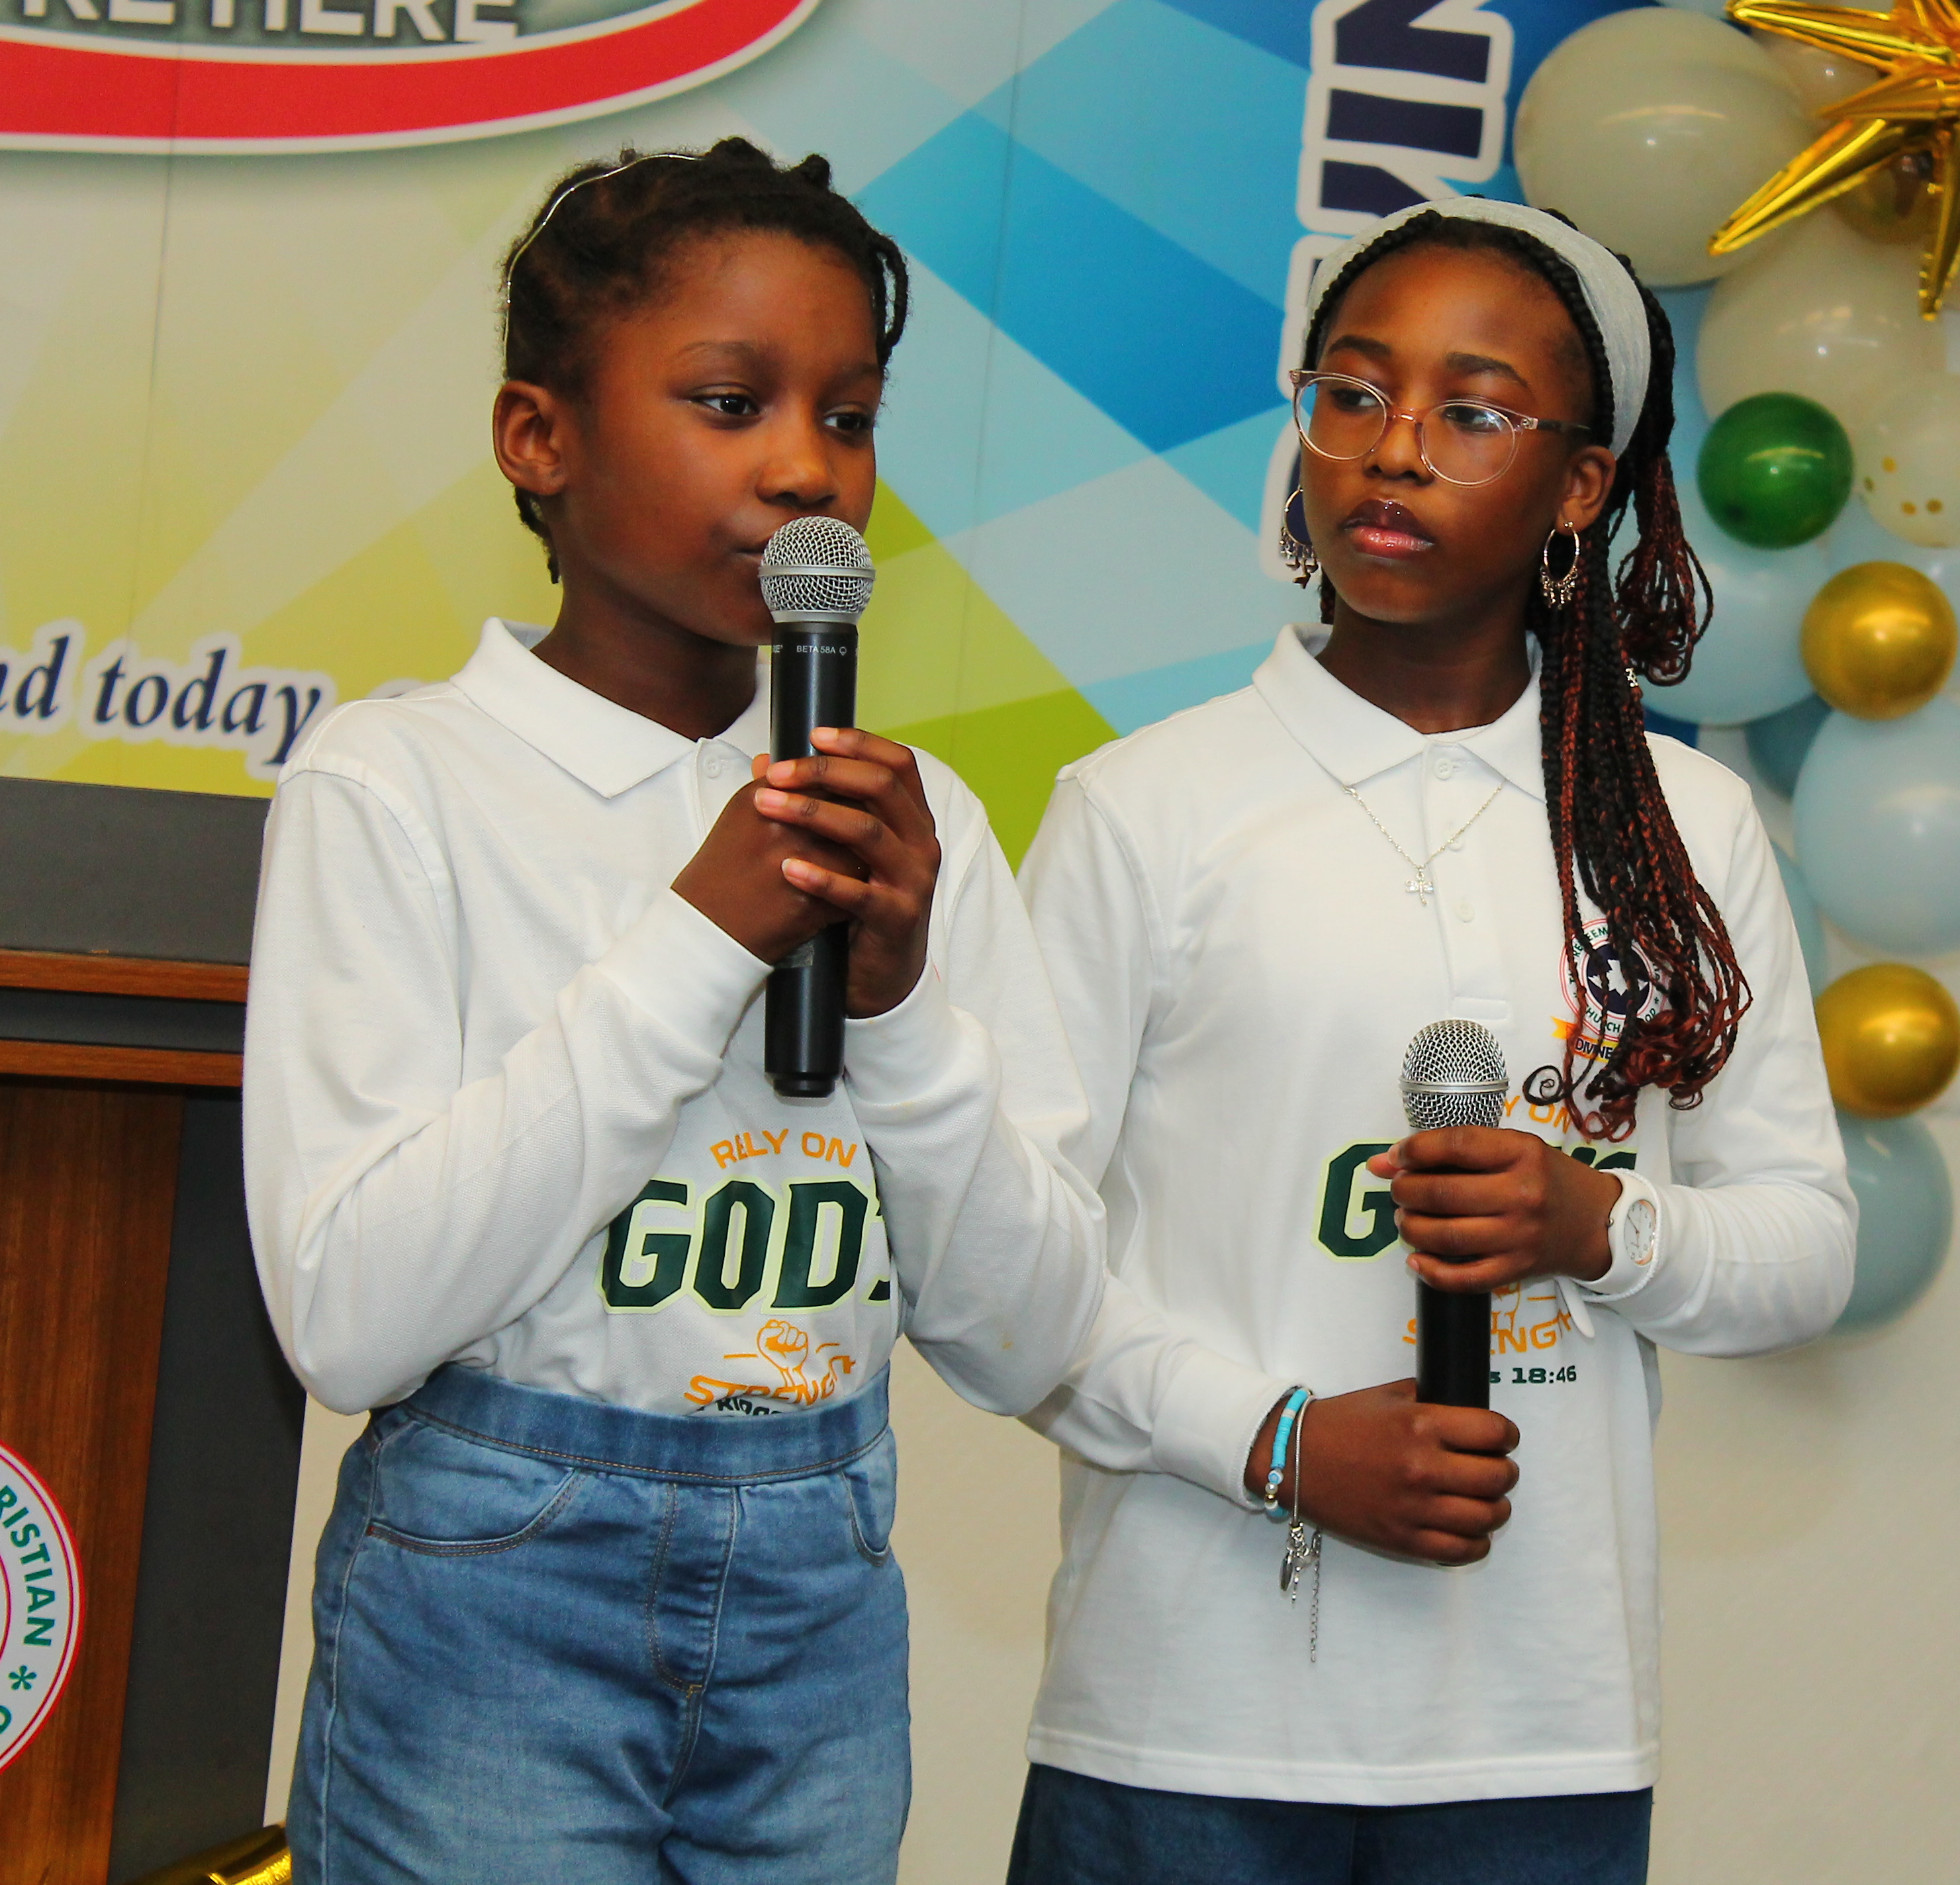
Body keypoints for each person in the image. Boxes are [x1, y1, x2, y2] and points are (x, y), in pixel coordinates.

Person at [242, 140, 1105, 1882]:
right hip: (496, 1575)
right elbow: (349, 1318)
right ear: (537, 438)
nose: (805, 468)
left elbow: (1033, 1336)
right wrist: (702, 937)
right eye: (730, 402)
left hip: (821, 1583)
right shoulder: (400, 781)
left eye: (849, 417)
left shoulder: (913, 819)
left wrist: (900, 1013)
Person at [1008, 197, 1857, 1885]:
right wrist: (1277, 1438)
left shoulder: (1684, 825)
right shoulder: (1143, 808)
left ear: (1582, 486)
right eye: (1353, 392)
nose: (1393, 449)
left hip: (1539, 1733)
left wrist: (1598, 1220)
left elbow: (1804, 1249)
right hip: (1185, 1721)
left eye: (1473, 411)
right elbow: (1005, 1270)